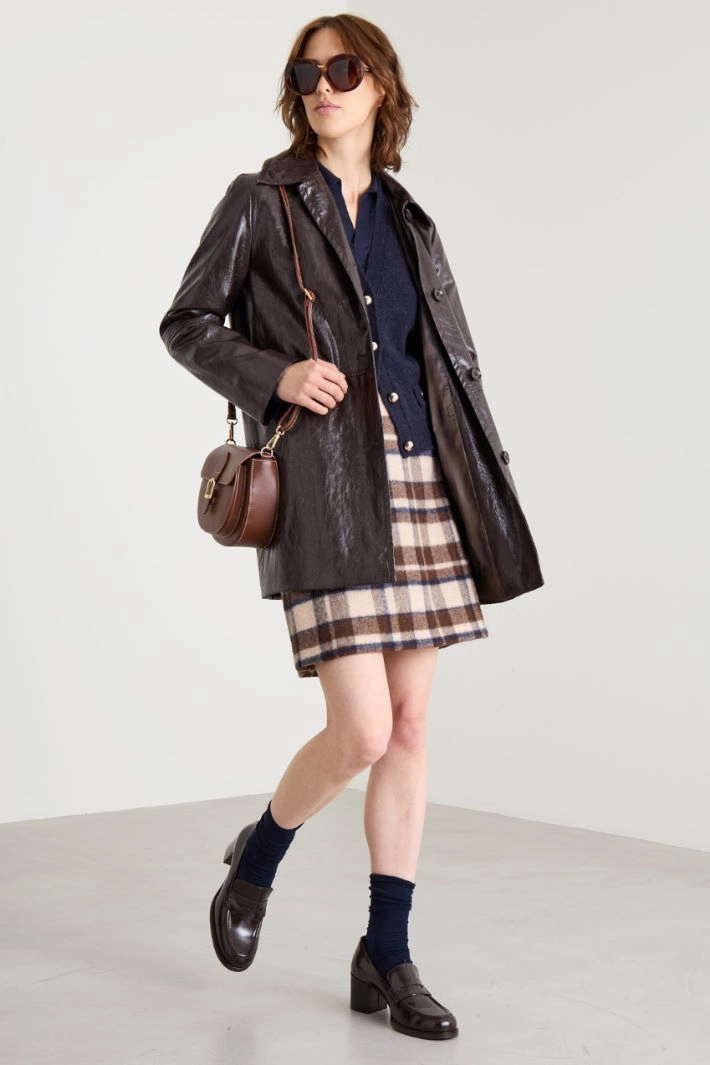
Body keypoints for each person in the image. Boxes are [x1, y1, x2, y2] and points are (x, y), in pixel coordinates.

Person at [159, 13, 543, 1042]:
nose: (323, 84)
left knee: (410, 730)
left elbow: (445, 363)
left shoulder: (413, 221)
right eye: (306, 72)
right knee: (361, 732)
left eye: (343, 68)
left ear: (381, 86)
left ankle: (388, 951)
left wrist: (483, 482)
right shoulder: (261, 200)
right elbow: (186, 323)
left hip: (422, 483)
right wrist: (275, 374)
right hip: (328, 489)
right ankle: (258, 860)